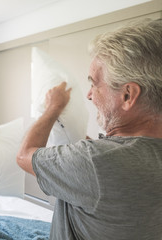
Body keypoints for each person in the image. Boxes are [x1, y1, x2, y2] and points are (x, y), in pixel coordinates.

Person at [17, 18, 162, 239]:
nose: (89, 94)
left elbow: (24, 155)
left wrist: (52, 108)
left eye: (94, 83)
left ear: (127, 95)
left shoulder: (96, 161)